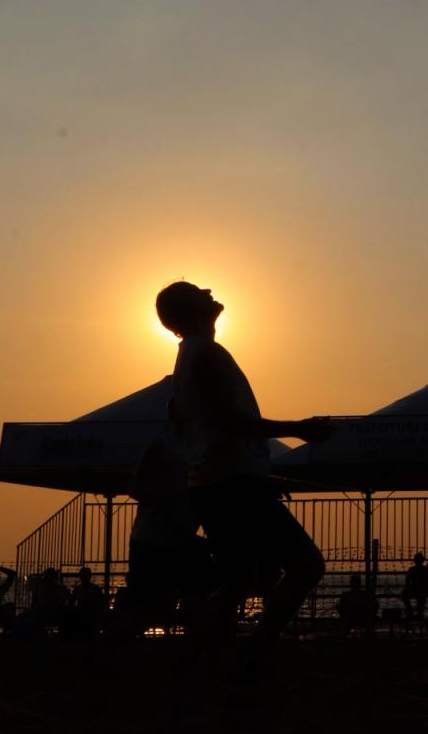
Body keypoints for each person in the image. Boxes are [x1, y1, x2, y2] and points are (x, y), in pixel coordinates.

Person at [156, 280, 336, 668]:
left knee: (239, 578)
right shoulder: (205, 355)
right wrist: (297, 428)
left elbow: (206, 428)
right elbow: (229, 422)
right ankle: (254, 650)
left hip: (217, 484)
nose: (208, 290)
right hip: (232, 484)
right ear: (190, 310)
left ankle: (204, 654)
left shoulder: (191, 357)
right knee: (306, 565)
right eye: (197, 291)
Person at [120, 433, 212, 634]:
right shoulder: (162, 445)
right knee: (145, 613)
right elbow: (135, 488)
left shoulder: (204, 446)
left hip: (178, 540)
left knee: (196, 598)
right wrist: (165, 509)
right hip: (152, 542)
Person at [67, 566, 110, 638]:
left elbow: (71, 602)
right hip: (91, 616)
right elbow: (102, 603)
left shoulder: (78, 589)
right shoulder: (95, 588)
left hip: (85, 616)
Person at [401, 551, 428, 622]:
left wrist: (407, 589)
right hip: (423, 590)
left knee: (404, 595)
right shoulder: (425, 569)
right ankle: (419, 613)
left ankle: (410, 611)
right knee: (421, 598)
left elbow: (407, 582)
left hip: (414, 590)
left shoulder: (412, 569)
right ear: (422, 561)